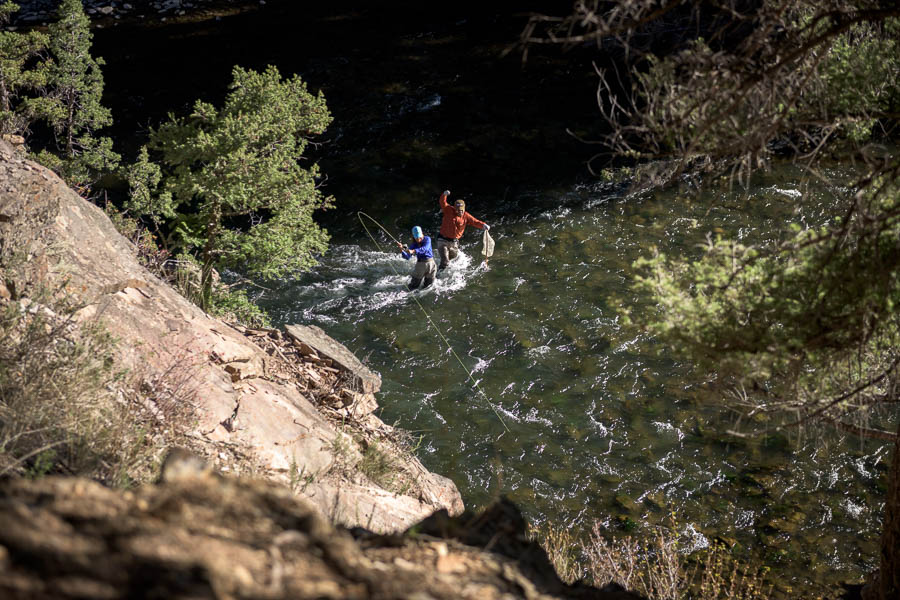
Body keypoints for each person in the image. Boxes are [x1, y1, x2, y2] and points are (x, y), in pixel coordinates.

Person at [436, 189, 489, 271]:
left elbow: (475, 222)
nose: (459, 212)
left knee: (453, 260)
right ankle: (437, 277)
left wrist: (483, 225)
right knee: (445, 262)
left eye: (461, 210)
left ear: (464, 209)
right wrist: (444, 194)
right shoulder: (448, 209)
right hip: (442, 240)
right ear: (454, 208)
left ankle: (441, 270)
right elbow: (442, 202)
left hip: (454, 242)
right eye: (457, 210)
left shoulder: (466, 216)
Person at [397, 226, 436, 290]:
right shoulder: (413, 245)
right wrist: (402, 250)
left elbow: (425, 249)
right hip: (420, 266)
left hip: (432, 265)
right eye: (416, 237)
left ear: (422, 234)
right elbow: (407, 257)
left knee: (429, 287)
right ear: (413, 236)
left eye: (419, 237)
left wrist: (413, 251)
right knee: (413, 286)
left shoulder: (427, 239)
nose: (418, 239)